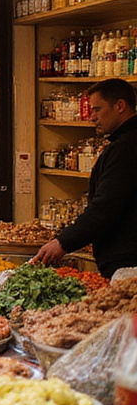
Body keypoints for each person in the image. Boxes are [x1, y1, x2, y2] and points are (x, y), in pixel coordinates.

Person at [33, 78, 137, 277]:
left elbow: (105, 206)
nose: (91, 117)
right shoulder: (123, 143)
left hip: (127, 262)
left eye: (97, 109)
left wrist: (63, 242)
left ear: (120, 106)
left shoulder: (125, 148)